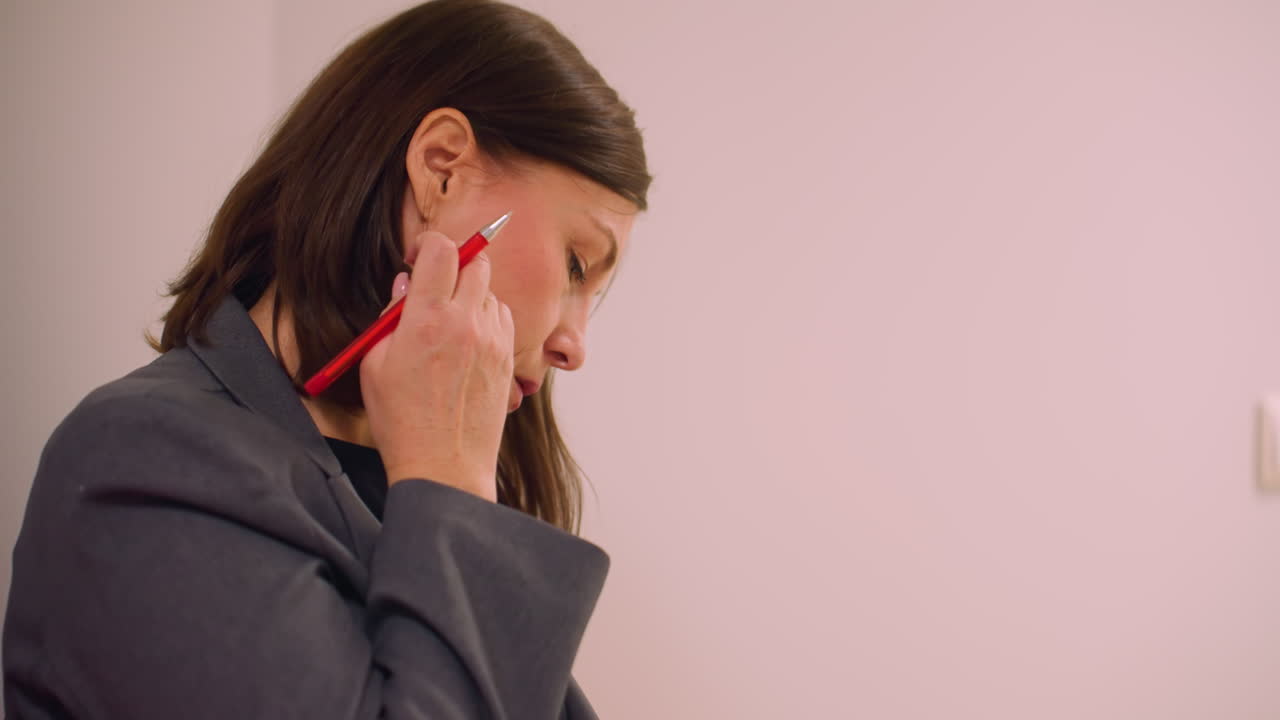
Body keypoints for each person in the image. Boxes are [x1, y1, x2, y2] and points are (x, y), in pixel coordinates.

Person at [2, 0, 649, 716]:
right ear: (442, 172)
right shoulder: (140, 458)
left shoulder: (425, 484)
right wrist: (450, 483)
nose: (575, 344)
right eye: (576, 263)